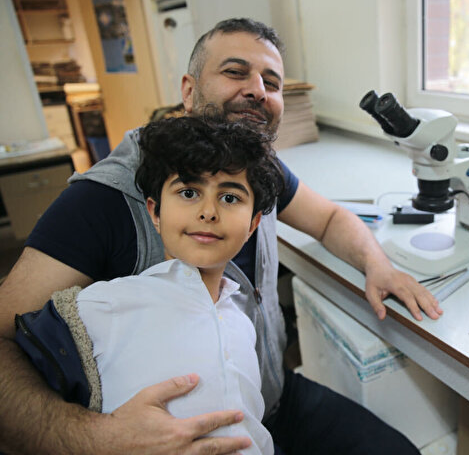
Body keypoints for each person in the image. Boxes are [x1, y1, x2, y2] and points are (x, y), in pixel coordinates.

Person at [0, 18, 442, 455]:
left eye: (272, 82)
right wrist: (99, 439)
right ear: (189, 91)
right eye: (235, 72)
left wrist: (378, 265)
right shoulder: (103, 198)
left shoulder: (256, 167)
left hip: (269, 398)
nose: (257, 90)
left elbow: (328, 219)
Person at [17, 116, 284, 455]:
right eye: (189, 192)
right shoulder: (106, 304)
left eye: (230, 198)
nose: (208, 212)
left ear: (253, 225)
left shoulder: (242, 321)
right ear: (155, 213)